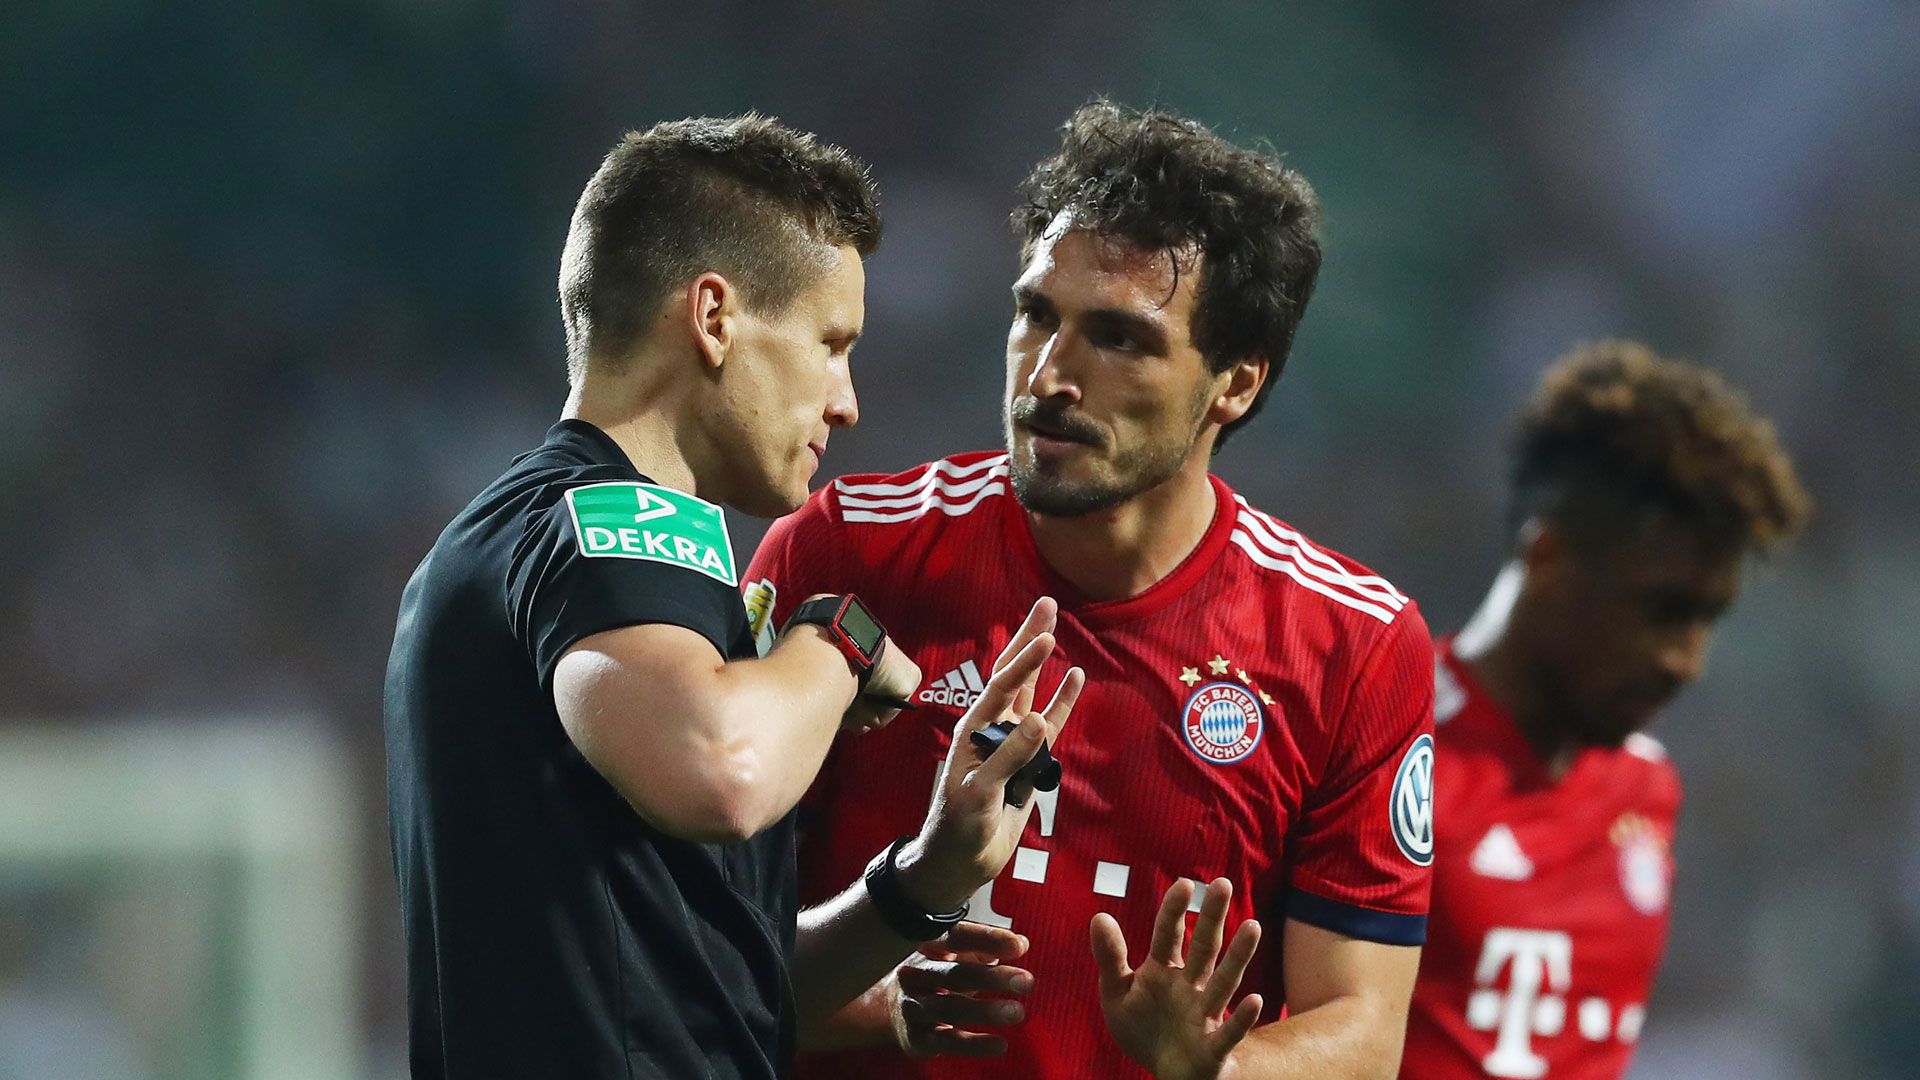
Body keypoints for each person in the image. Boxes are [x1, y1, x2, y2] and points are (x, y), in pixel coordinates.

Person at [745, 100, 1436, 1080]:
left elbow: (1363, 1034)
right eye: (1036, 315)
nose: (1051, 375)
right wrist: (879, 1005)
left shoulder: (1354, 647)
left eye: (1119, 338)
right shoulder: (844, 551)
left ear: (1234, 384)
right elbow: (683, 961)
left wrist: (1215, 1070)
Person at [383, 114, 1083, 1079]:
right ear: (714, 318)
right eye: (831, 342)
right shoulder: (609, 518)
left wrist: (925, 882)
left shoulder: (518, 539)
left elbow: (702, 995)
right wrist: (835, 637)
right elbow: (722, 768)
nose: (847, 399)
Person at [1400, 342, 1810, 1080]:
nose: (1685, 661)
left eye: (1707, 619)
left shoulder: (1647, 791)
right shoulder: (1386, 749)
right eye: (1662, 610)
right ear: (1549, 558)